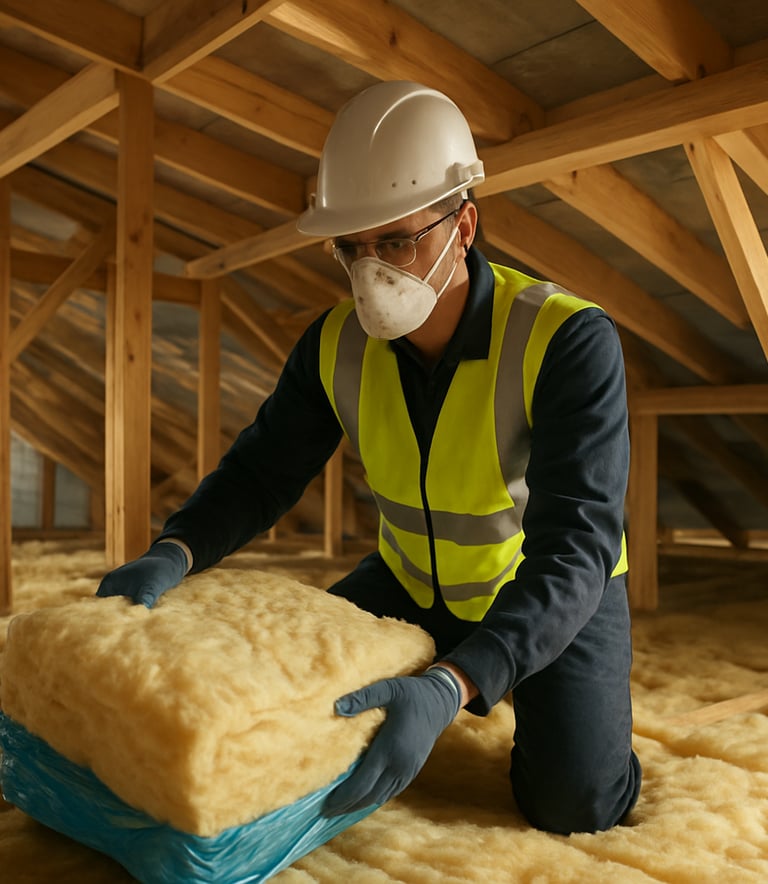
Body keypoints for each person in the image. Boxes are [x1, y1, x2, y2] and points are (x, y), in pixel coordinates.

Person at [97, 80, 641, 835]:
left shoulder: (565, 339)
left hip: (551, 594)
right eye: (351, 248)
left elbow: (576, 545)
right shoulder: (335, 344)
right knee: (282, 702)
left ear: (466, 224)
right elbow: (263, 472)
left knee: (574, 804)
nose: (371, 271)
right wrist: (176, 548)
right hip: (412, 581)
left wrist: (455, 684)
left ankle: (578, 717)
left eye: (396, 241)